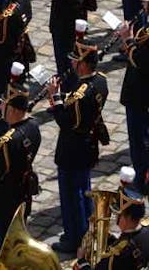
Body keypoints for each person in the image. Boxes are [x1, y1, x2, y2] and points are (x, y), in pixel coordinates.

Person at [45, 41, 109, 253]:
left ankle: (76, 237)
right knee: (84, 189)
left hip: (73, 147)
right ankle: (85, 232)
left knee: (72, 195)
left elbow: (67, 121)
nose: (72, 63)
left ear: (82, 65)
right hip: (88, 143)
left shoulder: (83, 93)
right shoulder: (100, 81)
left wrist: (55, 96)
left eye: (75, 60)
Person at [0, 82, 42, 263]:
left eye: (3, 103)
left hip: (2, 200)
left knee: (2, 246)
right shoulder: (33, 128)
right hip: (21, 194)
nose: (0, 106)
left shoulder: (8, 141)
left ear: (12, 109)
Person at [73, 183, 149, 269]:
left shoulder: (116, 256)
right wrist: (111, 239)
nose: (116, 217)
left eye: (118, 214)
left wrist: (82, 261)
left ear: (127, 217)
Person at [119, 0, 149, 191]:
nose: (143, 3)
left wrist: (127, 40)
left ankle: (142, 181)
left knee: (140, 143)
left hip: (141, 94)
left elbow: (141, 59)